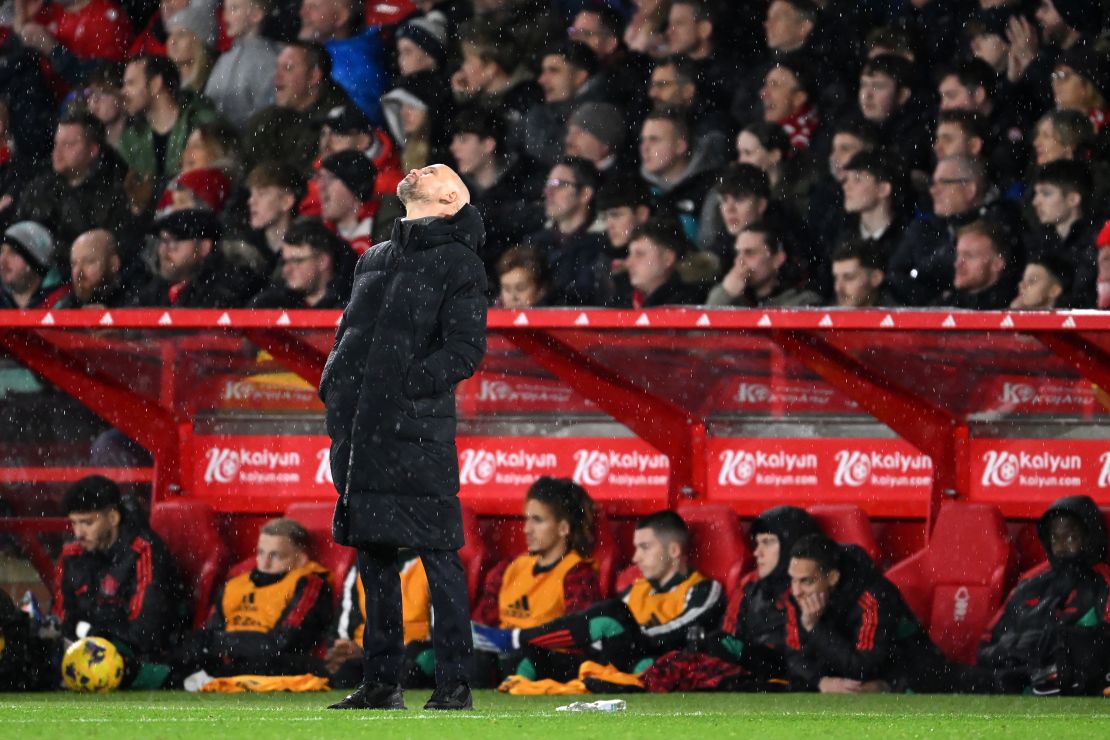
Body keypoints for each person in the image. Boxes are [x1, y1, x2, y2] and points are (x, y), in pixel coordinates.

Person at [321, 163, 486, 711]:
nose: (422, 167)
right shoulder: (376, 257)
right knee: (374, 558)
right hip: (362, 433)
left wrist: (406, 387)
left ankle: (453, 687)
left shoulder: (459, 261)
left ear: (449, 198)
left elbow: (464, 350)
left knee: (439, 557)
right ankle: (381, 683)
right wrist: (336, 390)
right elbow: (350, 334)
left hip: (414, 433)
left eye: (437, 169)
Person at [472, 510, 724, 682]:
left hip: (654, 657)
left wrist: (630, 635)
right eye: (635, 548)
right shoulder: (636, 590)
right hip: (614, 658)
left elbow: (680, 630)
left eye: (645, 547)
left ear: (674, 550)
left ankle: (513, 638)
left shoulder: (703, 588)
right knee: (526, 660)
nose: (636, 558)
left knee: (611, 615)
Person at [641, 505, 821, 691]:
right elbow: (730, 633)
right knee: (701, 647)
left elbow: (810, 651)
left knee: (711, 644)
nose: (757, 552)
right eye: (757, 543)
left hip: (782, 669)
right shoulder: (750, 585)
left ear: (791, 545)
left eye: (767, 542)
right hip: (747, 663)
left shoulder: (811, 588)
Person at [53, 476, 185, 686]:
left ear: (113, 518)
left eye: (87, 522)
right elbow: (61, 617)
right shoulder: (72, 553)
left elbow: (146, 633)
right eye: (74, 523)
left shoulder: (144, 550)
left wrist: (93, 632)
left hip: (135, 657)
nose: (78, 533)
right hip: (82, 648)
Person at [470, 477, 601, 683]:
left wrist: (521, 640)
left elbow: (577, 638)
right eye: (527, 519)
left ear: (563, 528)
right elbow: (481, 624)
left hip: (548, 660)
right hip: (500, 656)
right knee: (471, 659)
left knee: (520, 660)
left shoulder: (578, 575)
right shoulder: (508, 569)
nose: (526, 529)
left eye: (537, 520)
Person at [784, 533, 953, 693]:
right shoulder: (798, 594)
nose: (796, 590)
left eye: (806, 581)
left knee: (861, 691)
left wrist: (814, 627)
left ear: (833, 578)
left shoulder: (874, 597)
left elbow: (863, 667)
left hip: (908, 669)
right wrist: (821, 681)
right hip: (850, 672)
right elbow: (793, 656)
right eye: (793, 579)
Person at [976, 495, 1110, 695]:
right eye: (1056, 538)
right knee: (948, 676)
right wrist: (1014, 648)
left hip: (1068, 684)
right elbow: (986, 646)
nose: (1062, 545)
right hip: (1010, 680)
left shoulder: (1103, 581)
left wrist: (1060, 643)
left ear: (1089, 537)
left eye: (1071, 537)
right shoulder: (1030, 583)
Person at [177, 518, 333, 678]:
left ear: (300, 559)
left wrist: (223, 643)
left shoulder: (309, 584)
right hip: (235, 658)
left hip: (274, 664)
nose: (264, 563)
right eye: (260, 553)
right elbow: (209, 634)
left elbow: (284, 643)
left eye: (276, 556)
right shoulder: (234, 585)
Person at [327, 552, 432, 689]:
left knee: (407, 673)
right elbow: (344, 626)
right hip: (367, 650)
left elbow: (441, 632)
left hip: (415, 649)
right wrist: (342, 647)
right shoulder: (362, 564)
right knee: (344, 675)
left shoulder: (429, 562)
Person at [133, 208, 261, 307]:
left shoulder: (231, 289)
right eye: (162, 241)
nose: (163, 250)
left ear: (204, 247)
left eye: (173, 242)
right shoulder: (156, 289)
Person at [119, 54, 219, 180]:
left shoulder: (202, 122)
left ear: (155, 84)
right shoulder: (131, 138)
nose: (123, 92)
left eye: (131, 83)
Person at [204, 0, 281, 129]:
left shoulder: (268, 59)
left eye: (234, 8)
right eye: (225, 8)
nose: (225, 15)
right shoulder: (225, 58)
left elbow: (267, 113)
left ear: (256, 15)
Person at [706, 222, 819, 308]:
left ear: (777, 259)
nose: (740, 261)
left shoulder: (803, 303)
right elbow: (703, 335)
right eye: (737, 253)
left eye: (749, 253)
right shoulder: (732, 301)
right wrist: (725, 294)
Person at [249, 217, 353, 308]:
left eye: (297, 261)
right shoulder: (269, 304)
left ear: (323, 261)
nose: (286, 269)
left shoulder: (353, 305)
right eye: (284, 262)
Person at [609, 220, 704, 308]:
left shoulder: (688, 306)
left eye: (640, 254)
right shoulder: (623, 300)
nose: (629, 263)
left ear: (668, 259)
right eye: (630, 254)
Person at [933, 220, 1014, 310]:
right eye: (958, 255)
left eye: (969, 256)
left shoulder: (1012, 309)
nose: (958, 264)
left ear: (997, 263)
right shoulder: (945, 304)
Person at [56, 229, 143, 309]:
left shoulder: (138, 298)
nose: (79, 272)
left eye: (89, 262)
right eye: (74, 264)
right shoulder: (68, 304)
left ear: (114, 264)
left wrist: (110, 321)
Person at [0, 221, 71, 310]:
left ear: (34, 261)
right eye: (2, 251)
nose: (2, 261)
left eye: (13, 253)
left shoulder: (66, 302)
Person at [830, 240, 892, 308]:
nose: (838, 288)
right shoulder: (824, 314)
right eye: (835, 278)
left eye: (849, 277)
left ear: (875, 278)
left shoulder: (898, 316)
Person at [496, 245, 552, 309]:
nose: (513, 297)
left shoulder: (559, 315)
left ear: (541, 290)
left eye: (521, 288)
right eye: (507, 289)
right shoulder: (489, 317)